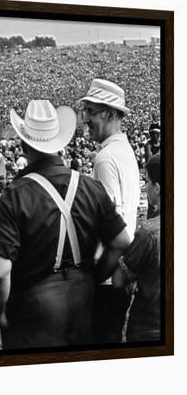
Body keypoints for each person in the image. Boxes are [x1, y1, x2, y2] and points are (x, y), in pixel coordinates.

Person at [0, 100, 132, 350]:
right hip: (81, 303)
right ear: (58, 143)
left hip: (33, 313)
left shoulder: (15, 194)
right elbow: (122, 241)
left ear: (24, 144)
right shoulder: (90, 187)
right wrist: (94, 277)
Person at [80, 78, 141, 344]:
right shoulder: (124, 151)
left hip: (107, 275)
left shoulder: (105, 158)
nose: (85, 119)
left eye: (91, 111)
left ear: (111, 113)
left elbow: (111, 228)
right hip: (120, 272)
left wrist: (93, 279)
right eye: (86, 111)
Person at [112, 154, 161, 342]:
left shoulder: (149, 233)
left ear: (157, 188)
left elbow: (117, 280)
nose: (145, 187)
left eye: (147, 181)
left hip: (149, 326)